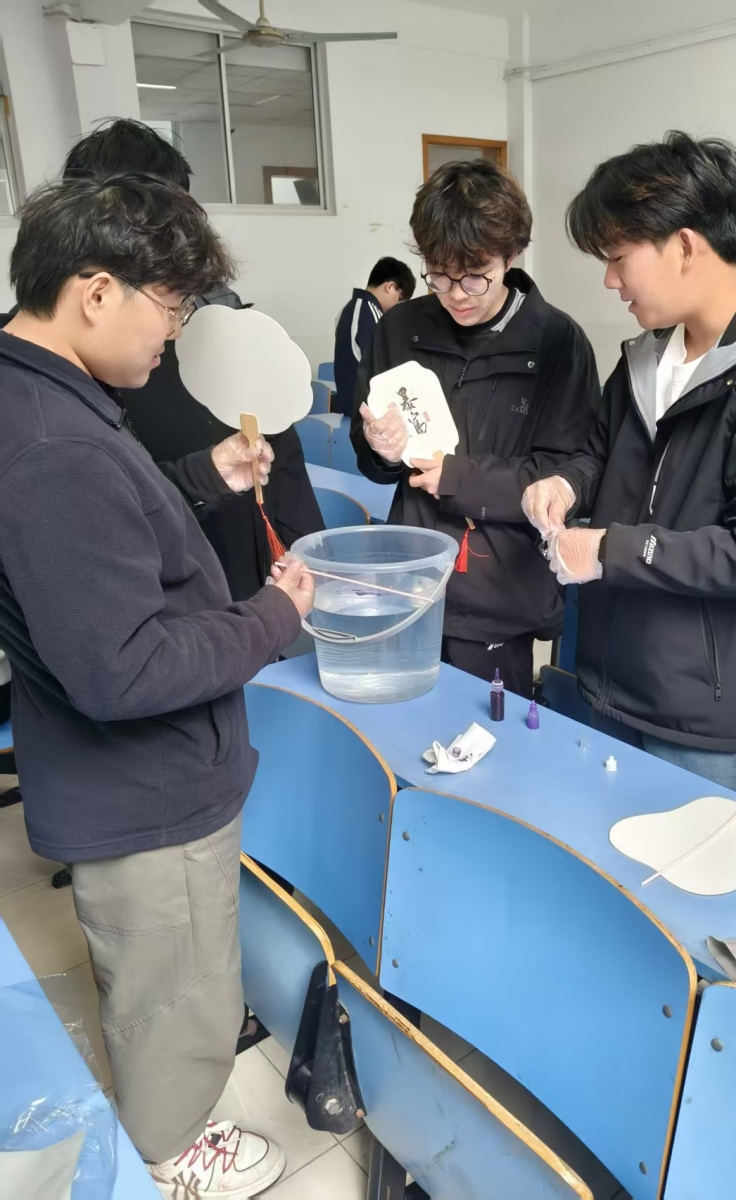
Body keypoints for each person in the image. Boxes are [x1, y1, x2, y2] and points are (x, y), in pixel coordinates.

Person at [0, 172, 315, 1197]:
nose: (171, 337)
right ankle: (174, 1147)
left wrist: (201, 478)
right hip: (145, 789)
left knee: (152, 974)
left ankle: (163, 1116)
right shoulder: (54, 445)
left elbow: (103, 544)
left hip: (110, 778)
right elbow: (124, 666)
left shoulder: (36, 396)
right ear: (97, 292)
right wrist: (272, 618)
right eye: (170, 309)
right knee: (175, 982)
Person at [523, 131, 736, 799]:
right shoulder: (646, 358)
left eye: (617, 258)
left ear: (683, 245)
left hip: (711, 728)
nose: (610, 280)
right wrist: (567, 483)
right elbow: (600, 452)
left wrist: (609, 550)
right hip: (614, 686)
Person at [351, 160, 600, 696]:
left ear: (511, 254)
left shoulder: (557, 342)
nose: (457, 293)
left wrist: (458, 479)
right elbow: (372, 460)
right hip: (411, 578)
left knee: (485, 736)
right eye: (439, 274)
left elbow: (568, 472)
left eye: (475, 274)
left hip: (498, 595)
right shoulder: (400, 328)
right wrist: (379, 449)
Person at [63, 119, 323, 602]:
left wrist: (308, 570)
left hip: (240, 585)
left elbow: (282, 469)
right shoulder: (55, 375)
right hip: (149, 603)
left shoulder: (225, 330)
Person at [332, 255, 416, 415]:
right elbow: (385, 368)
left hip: (347, 405)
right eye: (399, 300)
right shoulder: (373, 314)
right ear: (390, 287)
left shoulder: (347, 309)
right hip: (366, 410)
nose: (396, 307)